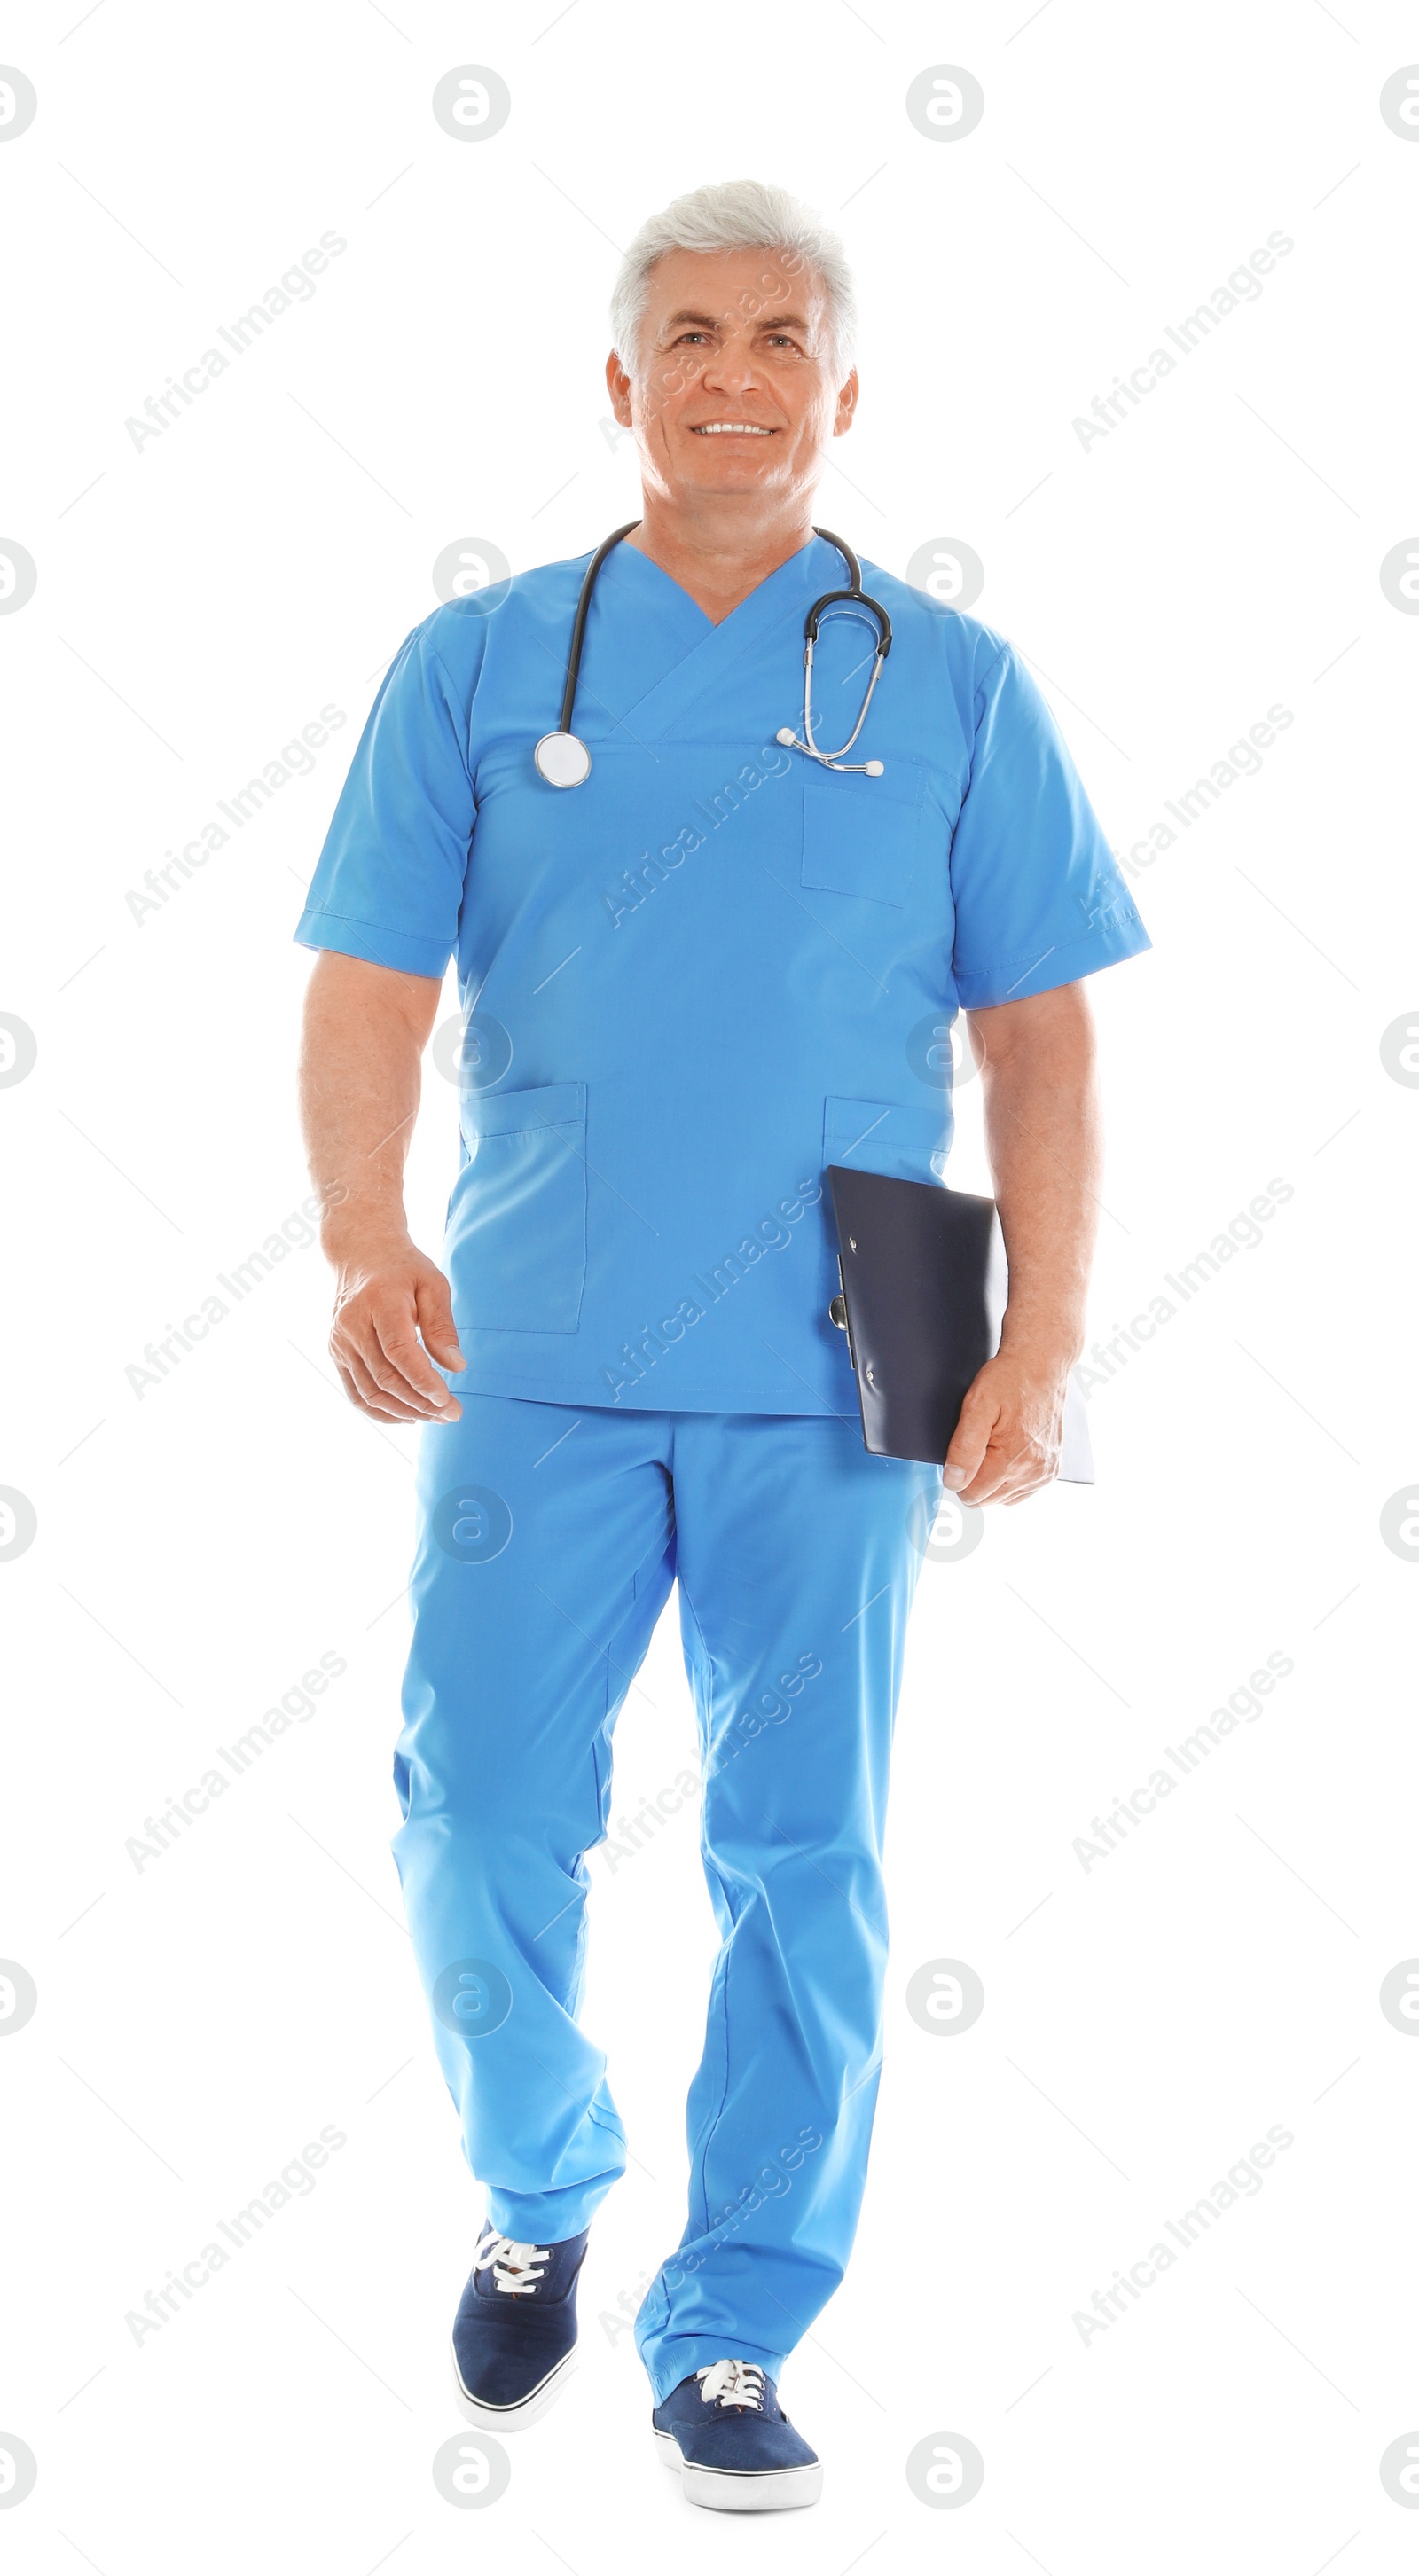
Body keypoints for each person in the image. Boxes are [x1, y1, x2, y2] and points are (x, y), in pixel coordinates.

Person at [294, 178, 1149, 2514]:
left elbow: (1043, 1039)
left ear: (842, 390)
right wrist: (365, 1233)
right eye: (691, 331)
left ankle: (740, 2329)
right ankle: (543, 2165)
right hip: (540, 1334)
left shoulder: (950, 684)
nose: (737, 370)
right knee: (472, 1808)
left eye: (784, 336)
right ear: (621, 381)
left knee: (808, 1851)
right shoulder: (478, 665)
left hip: (855, 1332)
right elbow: (366, 985)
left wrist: (1042, 1340)